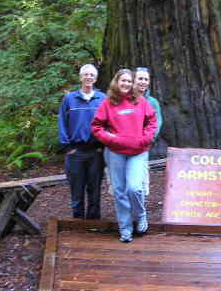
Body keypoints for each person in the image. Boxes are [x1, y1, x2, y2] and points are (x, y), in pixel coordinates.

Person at [92, 68, 157, 242]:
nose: (126, 84)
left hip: (138, 151)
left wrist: (145, 138)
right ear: (116, 82)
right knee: (120, 192)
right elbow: (97, 126)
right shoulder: (108, 103)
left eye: (129, 81)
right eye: (123, 80)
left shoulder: (141, 101)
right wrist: (110, 138)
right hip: (115, 153)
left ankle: (140, 215)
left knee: (134, 188)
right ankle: (125, 228)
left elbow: (152, 122)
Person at [58, 64, 106, 219]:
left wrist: (102, 146)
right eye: (86, 74)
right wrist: (68, 147)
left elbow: (108, 123)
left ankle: (93, 223)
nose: (89, 77)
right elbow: (62, 122)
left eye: (92, 75)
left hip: (96, 152)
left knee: (95, 190)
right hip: (75, 152)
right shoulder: (69, 99)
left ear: (96, 78)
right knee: (76, 190)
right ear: (80, 77)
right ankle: (77, 222)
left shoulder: (102, 99)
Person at [134, 67, 163, 197]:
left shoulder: (152, 102)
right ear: (134, 80)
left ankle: (141, 206)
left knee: (141, 176)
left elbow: (157, 122)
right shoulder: (125, 99)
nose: (143, 82)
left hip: (143, 146)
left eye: (146, 79)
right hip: (124, 145)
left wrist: (149, 139)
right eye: (140, 78)